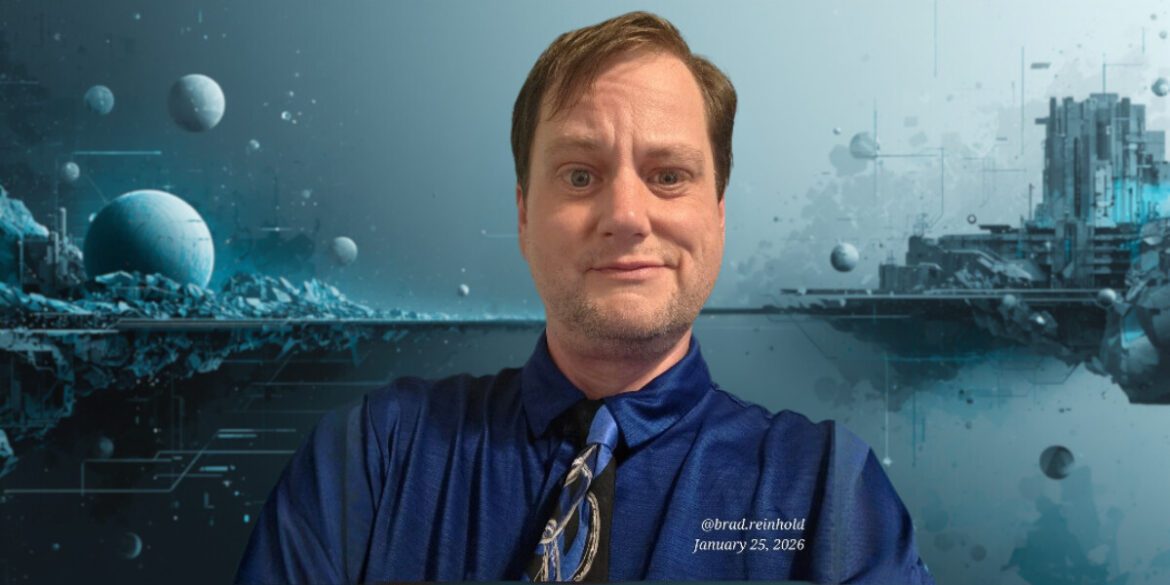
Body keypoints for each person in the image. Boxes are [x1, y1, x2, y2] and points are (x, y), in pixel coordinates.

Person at [235, 10, 934, 584]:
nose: (626, 215)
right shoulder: (372, 458)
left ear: (718, 217)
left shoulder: (825, 494)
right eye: (578, 175)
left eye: (668, 175)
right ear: (522, 215)